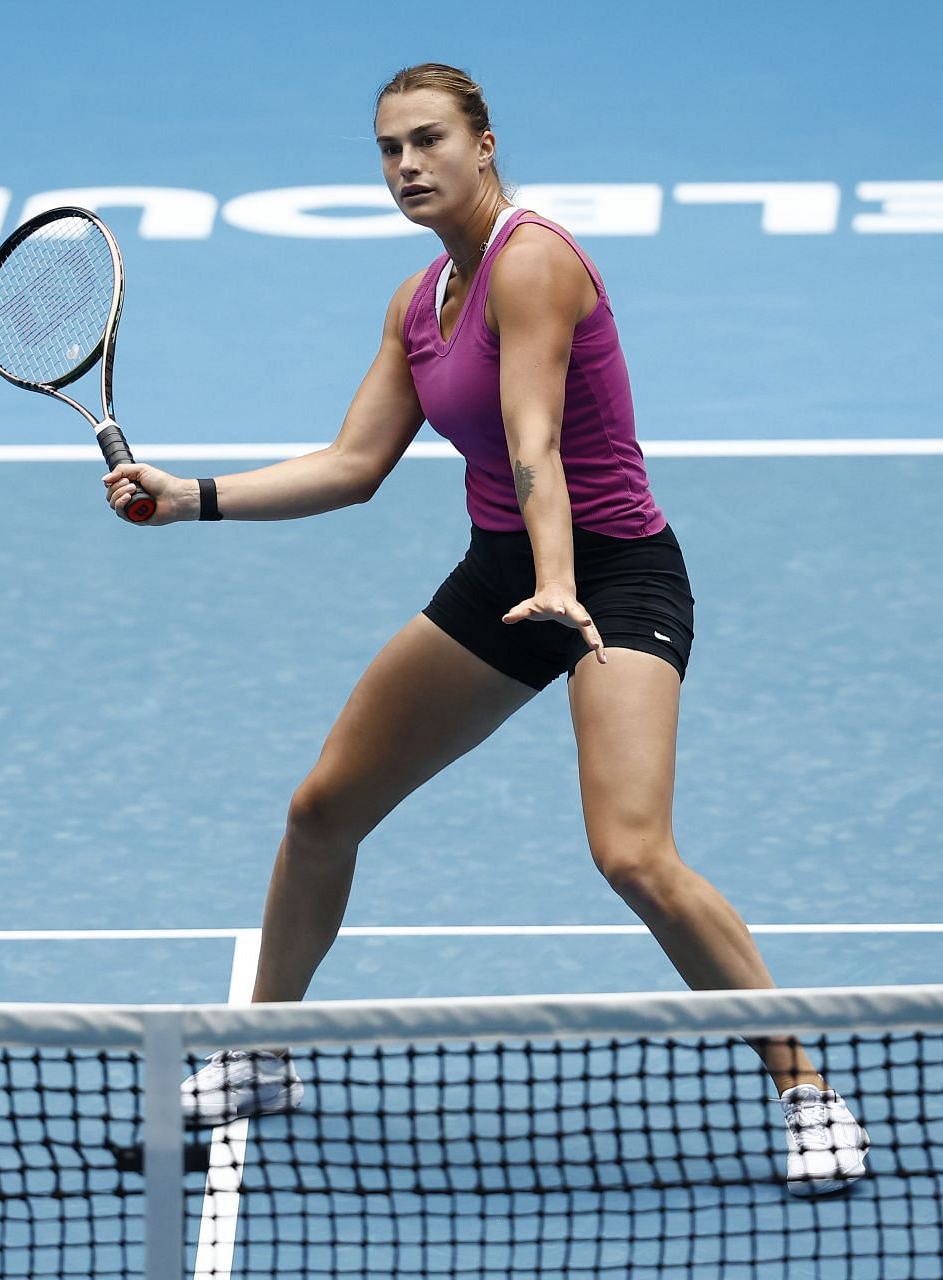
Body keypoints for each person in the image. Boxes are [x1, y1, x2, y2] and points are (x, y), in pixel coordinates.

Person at [103, 63, 869, 1195]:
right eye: (386, 149)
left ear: (485, 145)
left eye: (427, 141)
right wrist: (189, 496)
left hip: (614, 573)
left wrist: (562, 582)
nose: (407, 165)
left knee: (634, 855)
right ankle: (264, 1051)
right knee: (323, 808)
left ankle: (806, 1088)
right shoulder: (419, 302)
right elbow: (354, 465)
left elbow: (534, 443)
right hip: (503, 576)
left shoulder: (535, 261)